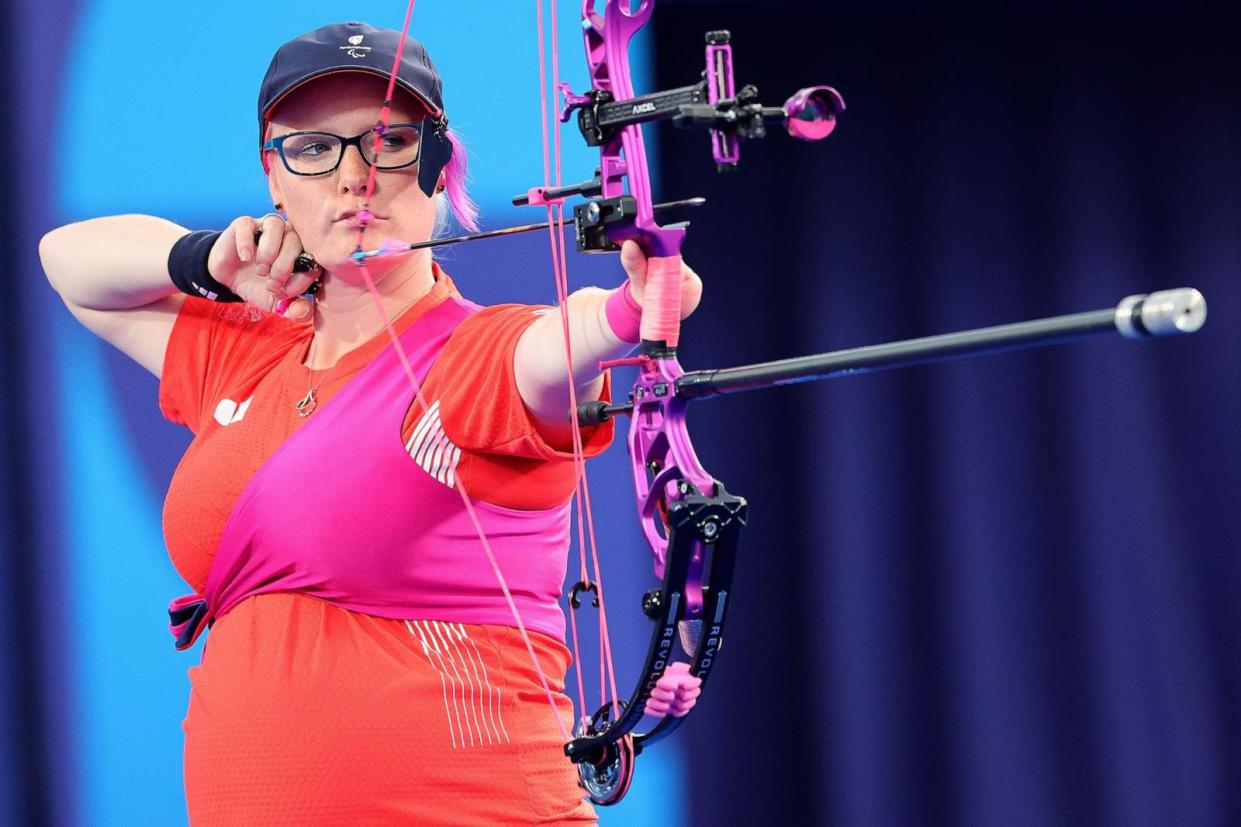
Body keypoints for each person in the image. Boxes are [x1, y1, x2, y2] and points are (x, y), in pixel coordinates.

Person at [38, 21, 701, 825]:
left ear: (438, 163)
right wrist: (205, 258)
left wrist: (631, 308)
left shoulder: (473, 354)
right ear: (273, 178)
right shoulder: (246, 352)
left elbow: (559, 344)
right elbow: (67, 262)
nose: (354, 177)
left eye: (389, 142)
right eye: (314, 149)